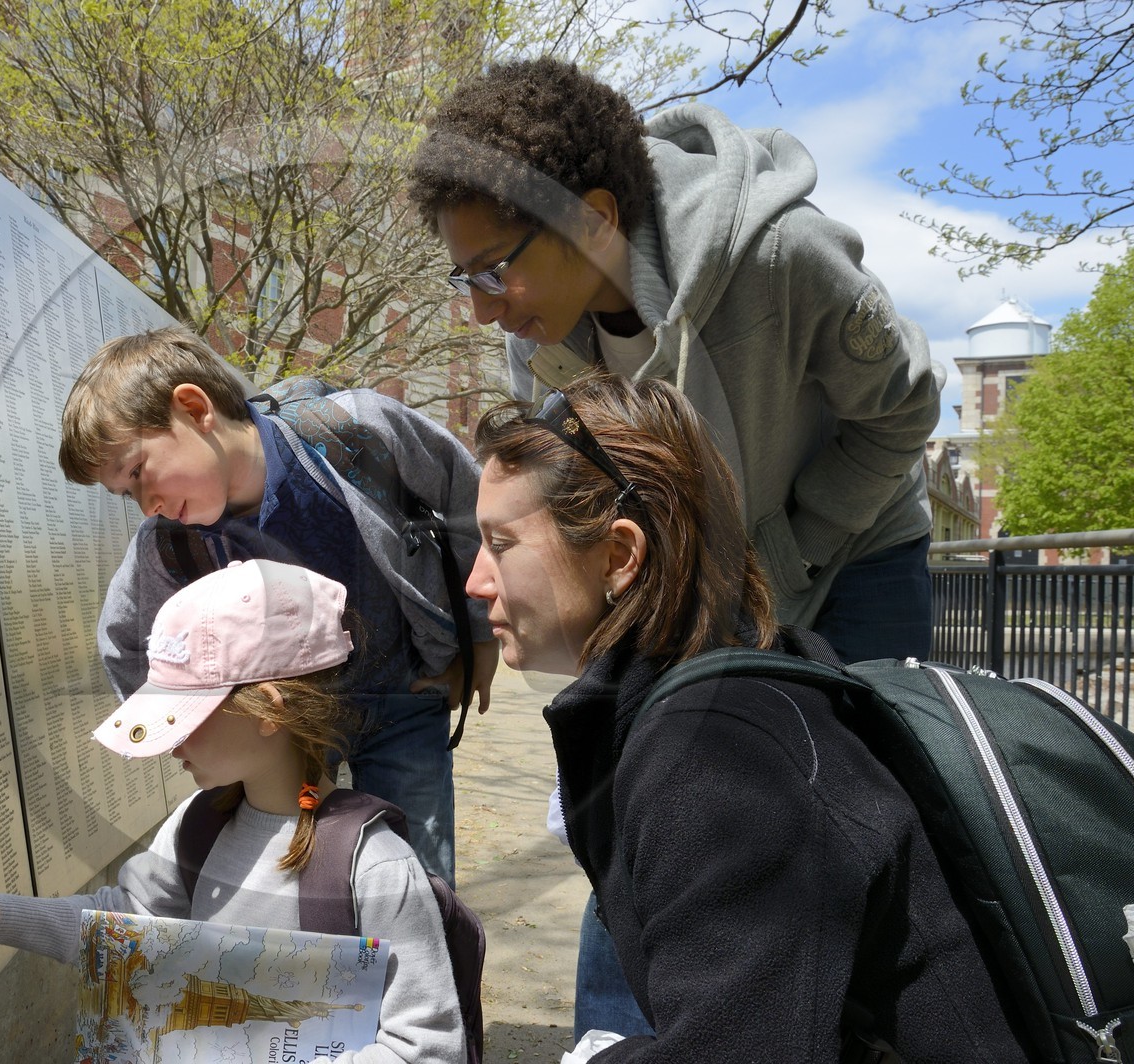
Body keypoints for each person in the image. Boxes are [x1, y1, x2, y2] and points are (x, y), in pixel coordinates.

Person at [408, 56, 945, 1035]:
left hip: (855, 545)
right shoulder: (539, 336)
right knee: (642, 799)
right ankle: (612, 1036)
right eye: (464, 277)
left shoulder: (781, 253)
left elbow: (903, 411)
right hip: (690, 568)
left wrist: (784, 560)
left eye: (496, 268)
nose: (483, 306)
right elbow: (574, 497)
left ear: (596, 214)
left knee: (870, 818)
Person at [464, 370, 1027, 1062]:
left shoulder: (720, 756)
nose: (475, 580)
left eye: (501, 543)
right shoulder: (728, 692)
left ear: (619, 555)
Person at [0, 559, 466, 1063]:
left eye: (190, 714)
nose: (172, 741)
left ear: (268, 710)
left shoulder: (376, 867)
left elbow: (427, 1045)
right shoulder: (194, 828)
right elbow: (127, 928)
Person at [56, 325, 496, 884]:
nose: (147, 505)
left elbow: (470, 500)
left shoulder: (353, 431)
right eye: (127, 493)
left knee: (417, 881)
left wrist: (476, 637)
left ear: (194, 409)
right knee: (297, 885)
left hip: (403, 700)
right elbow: (123, 642)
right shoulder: (169, 543)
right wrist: (188, 729)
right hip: (289, 737)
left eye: (139, 472)